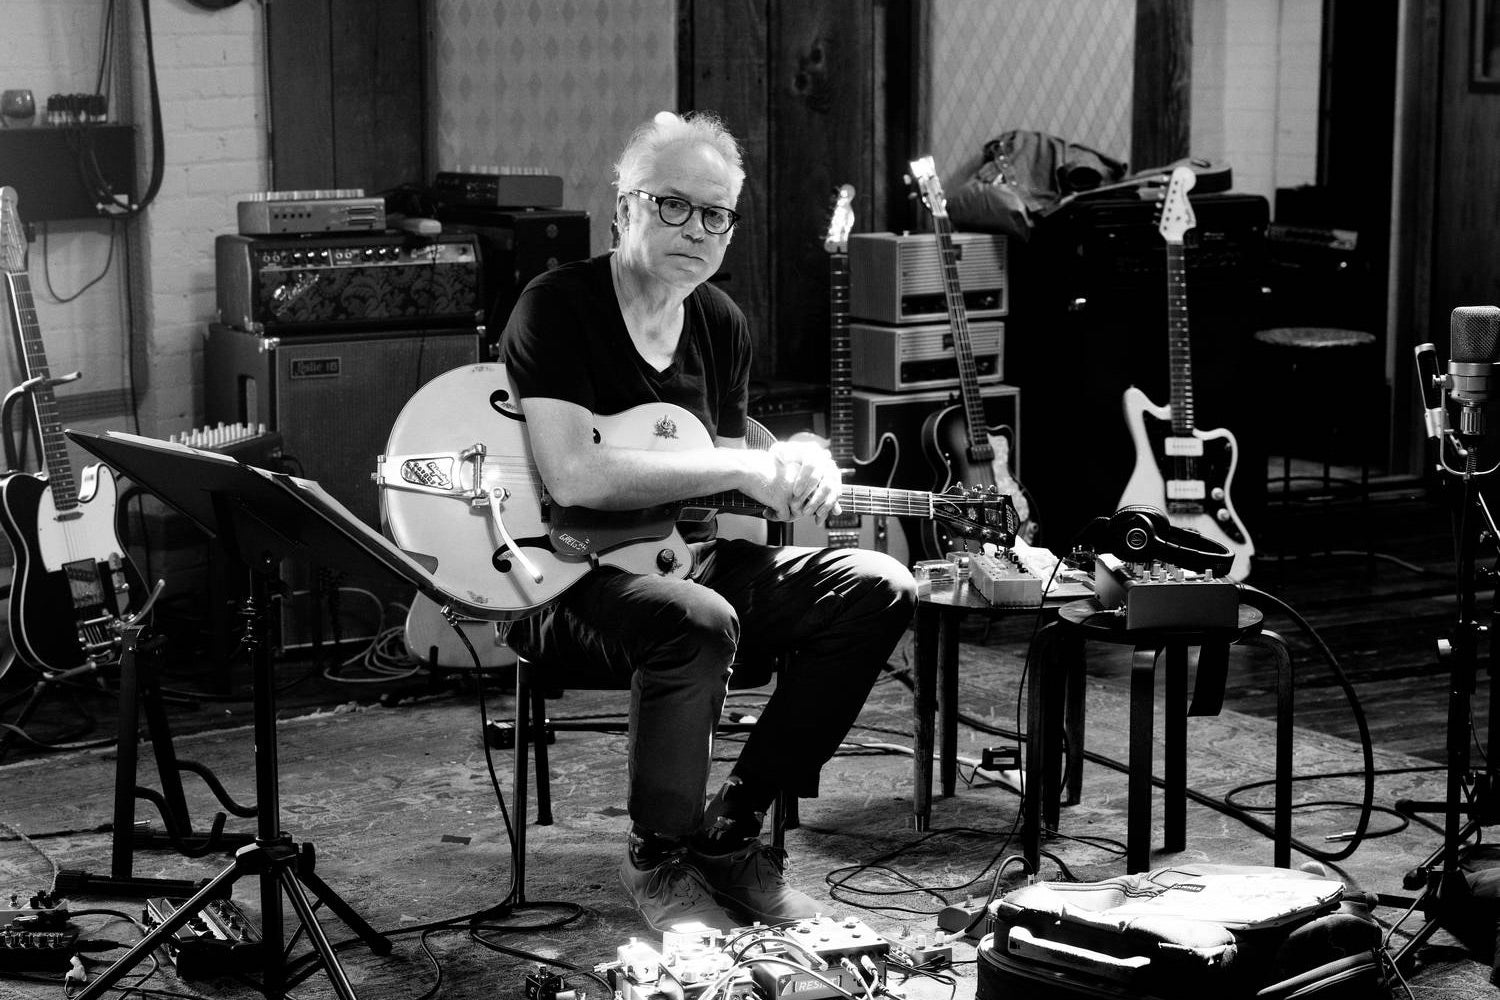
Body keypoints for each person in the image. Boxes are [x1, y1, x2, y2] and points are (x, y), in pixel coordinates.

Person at [500, 110, 916, 933]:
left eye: (716, 214)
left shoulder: (720, 323)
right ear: (625, 207)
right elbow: (574, 473)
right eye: (673, 204)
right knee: (697, 620)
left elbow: (723, 475)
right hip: (560, 576)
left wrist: (795, 463)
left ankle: (730, 831)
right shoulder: (559, 305)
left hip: (679, 560)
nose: (696, 228)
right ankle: (658, 856)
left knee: (879, 586)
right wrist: (741, 468)